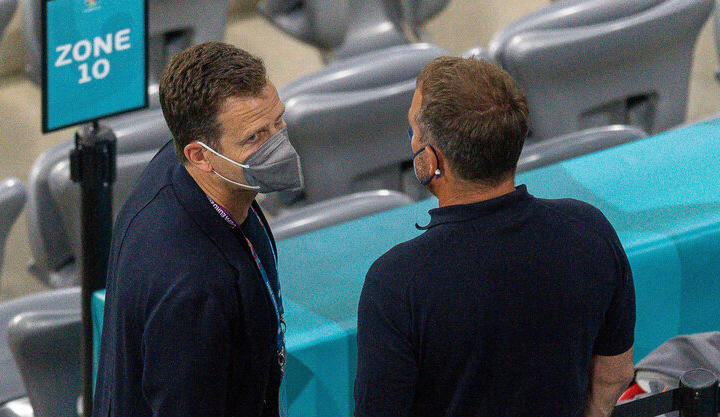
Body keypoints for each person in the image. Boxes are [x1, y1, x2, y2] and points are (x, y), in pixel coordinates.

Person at [354, 56, 636, 417]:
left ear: (431, 159)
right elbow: (615, 375)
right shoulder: (588, 229)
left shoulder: (395, 283)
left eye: (412, 131)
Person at [93, 42, 302, 417]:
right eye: (255, 137)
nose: (278, 145)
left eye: (278, 122)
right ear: (200, 155)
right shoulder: (194, 290)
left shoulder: (178, 169)